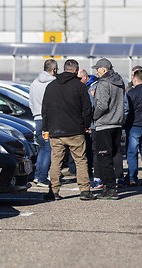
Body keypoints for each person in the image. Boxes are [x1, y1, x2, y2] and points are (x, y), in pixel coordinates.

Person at [42, 59, 96, 201]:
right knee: (80, 160)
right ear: (75, 70)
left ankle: (53, 191)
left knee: (56, 162)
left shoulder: (51, 86)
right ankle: (84, 191)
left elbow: (45, 109)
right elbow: (87, 109)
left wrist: (45, 128)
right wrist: (85, 125)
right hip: (75, 131)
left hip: (55, 131)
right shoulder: (79, 86)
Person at [91, 58, 125, 200]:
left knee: (104, 157)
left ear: (104, 69)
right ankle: (108, 187)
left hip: (104, 124)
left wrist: (94, 116)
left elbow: (103, 105)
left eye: (98, 69)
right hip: (117, 123)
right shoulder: (119, 81)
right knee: (112, 155)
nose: (96, 71)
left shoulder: (104, 83)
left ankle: (110, 189)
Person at [29, 59, 58, 187]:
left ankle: (37, 175)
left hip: (37, 118)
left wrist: (35, 112)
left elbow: (30, 102)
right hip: (49, 119)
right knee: (49, 149)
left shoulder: (34, 82)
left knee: (42, 149)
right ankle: (42, 178)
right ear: (53, 70)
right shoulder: (53, 83)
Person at [77, 68, 102, 188]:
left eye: (79, 79)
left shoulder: (92, 87)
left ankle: (96, 177)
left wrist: (88, 124)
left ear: (84, 77)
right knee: (90, 151)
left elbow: (91, 107)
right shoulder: (90, 85)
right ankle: (92, 175)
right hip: (91, 124)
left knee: (94, 150)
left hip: (93, 125)